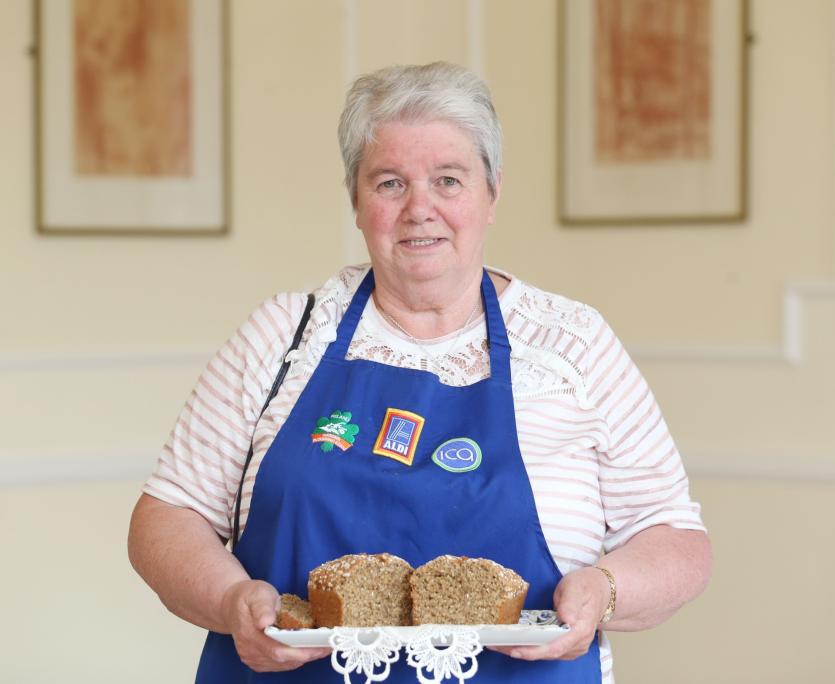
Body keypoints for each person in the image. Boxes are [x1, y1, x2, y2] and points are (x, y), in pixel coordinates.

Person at [128, 62, 711, 682]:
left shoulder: (572, 344)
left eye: (449, 180)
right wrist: (228, 601)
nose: (419, 209)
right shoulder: (284, 335)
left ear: (492, 193)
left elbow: (674, 537)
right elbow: (168, 518)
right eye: (389, 183)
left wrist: (605, 591)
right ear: (356, 200)